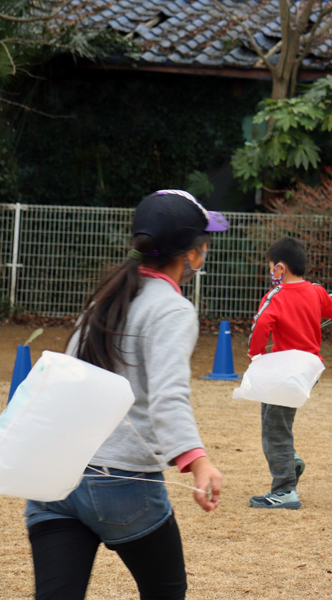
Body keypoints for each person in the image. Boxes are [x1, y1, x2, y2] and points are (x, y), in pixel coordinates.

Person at [24, 190, 226, 600]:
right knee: (165, 591)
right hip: (120, 485)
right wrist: (197, 460)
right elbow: (168, 397)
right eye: (204, 243)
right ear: (189, 254)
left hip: (54, 478)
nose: (205, 250)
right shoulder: (170, 309)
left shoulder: (106, 297)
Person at [247, 236, 332, 510]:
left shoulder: (276, 296)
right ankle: (290, 459)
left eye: (271, 267)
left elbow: (259, 328)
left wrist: (255, 357)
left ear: (280, 268)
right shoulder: (316, 291)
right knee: (274, 420)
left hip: (285, 371)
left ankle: (284, 492)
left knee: (274, 429)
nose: (270, 272)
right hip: (309, 370)